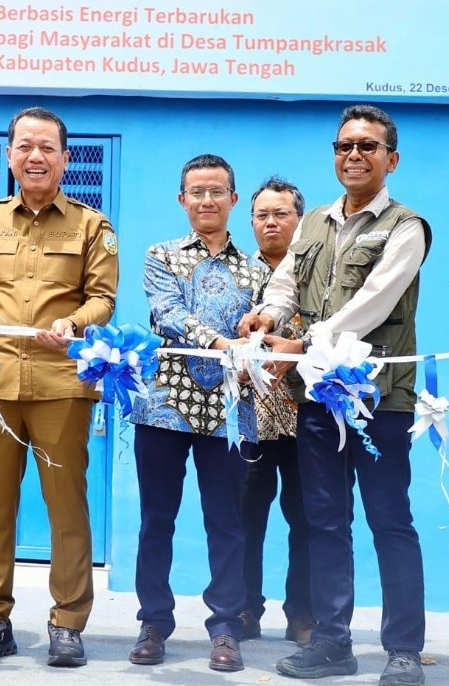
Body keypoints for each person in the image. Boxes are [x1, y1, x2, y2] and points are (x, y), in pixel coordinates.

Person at [240, 104, 431, 685]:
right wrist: (266, 316)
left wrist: (302, 342)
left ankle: (402, 649)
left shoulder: (405, 227)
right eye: (345, 145)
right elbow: (285, 282)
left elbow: (373, 302)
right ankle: (331, 641)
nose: (354, 154)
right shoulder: (315, 221)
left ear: (390, 159)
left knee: (389, 521)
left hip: (379, 399)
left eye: (368, 146)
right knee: (324, 521)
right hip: (319, 398)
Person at [0, 106, 118, 668]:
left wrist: (74, 324)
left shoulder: (91, 225)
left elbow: (103, 298)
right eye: (25, 146)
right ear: (9, 155)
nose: (36, 156)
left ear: (65, 158)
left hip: (61, 383)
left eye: (47, 146)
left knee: (65, 505)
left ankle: (67, 623)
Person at [127, 153, 269, 673]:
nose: (207, 200)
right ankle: (153, 622)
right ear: (182, 199)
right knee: (156, 520)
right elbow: (166, 312)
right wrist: (218, 340)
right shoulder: (160, 255)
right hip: (164, 405)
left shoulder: (257, 270)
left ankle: (227, 625)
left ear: (234, 200)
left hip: (232, 408)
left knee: (227, 521)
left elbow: (263, 328)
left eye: (217, 192)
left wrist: (252, 346)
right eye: (197, 191)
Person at [238, 177, 314, 647]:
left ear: (299, 220)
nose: (271, 222)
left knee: (307, 519)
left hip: (306, 416)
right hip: (250, 420)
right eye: (262, 215)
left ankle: (302, 614)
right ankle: (244, 609)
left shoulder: (314, 271)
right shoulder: (237, 273)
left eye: (281, 214)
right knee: (245, 518)